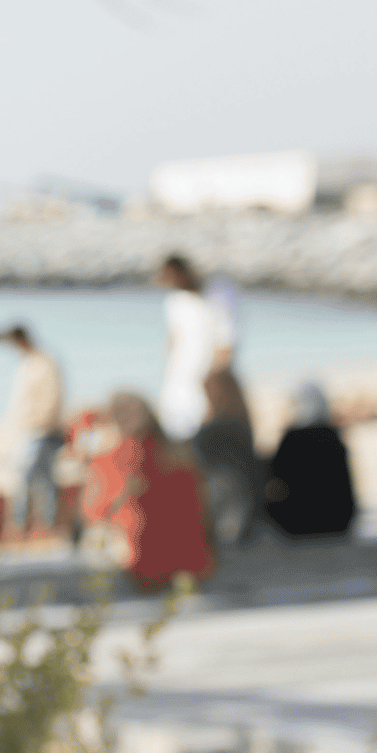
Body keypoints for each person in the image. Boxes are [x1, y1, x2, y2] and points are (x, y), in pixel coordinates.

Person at [81, 391, 214, 590]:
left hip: (142, 567)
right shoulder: (182, 459)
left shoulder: (109, 462)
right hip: (194, 565)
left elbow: (94, 512)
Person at [264, 381, 358, 540]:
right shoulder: (333, 438)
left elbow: (274, 475)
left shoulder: (292, 439)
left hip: (298, 524)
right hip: (338, 523)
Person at [4, 324, 64, 535]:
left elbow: (52, 397)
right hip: (29, 428)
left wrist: (42, 423)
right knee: (41, 476)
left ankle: (25, 524)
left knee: (27, 475)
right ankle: (41, 523)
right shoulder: (28, 363)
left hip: (40, 429)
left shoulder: (43, 363)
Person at [156, 253, 219, 442]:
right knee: (175, 427)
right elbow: (172, 341)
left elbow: (223, 345)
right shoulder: (173, 302)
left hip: (203, 376)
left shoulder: (214, 298)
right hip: (178, 378)